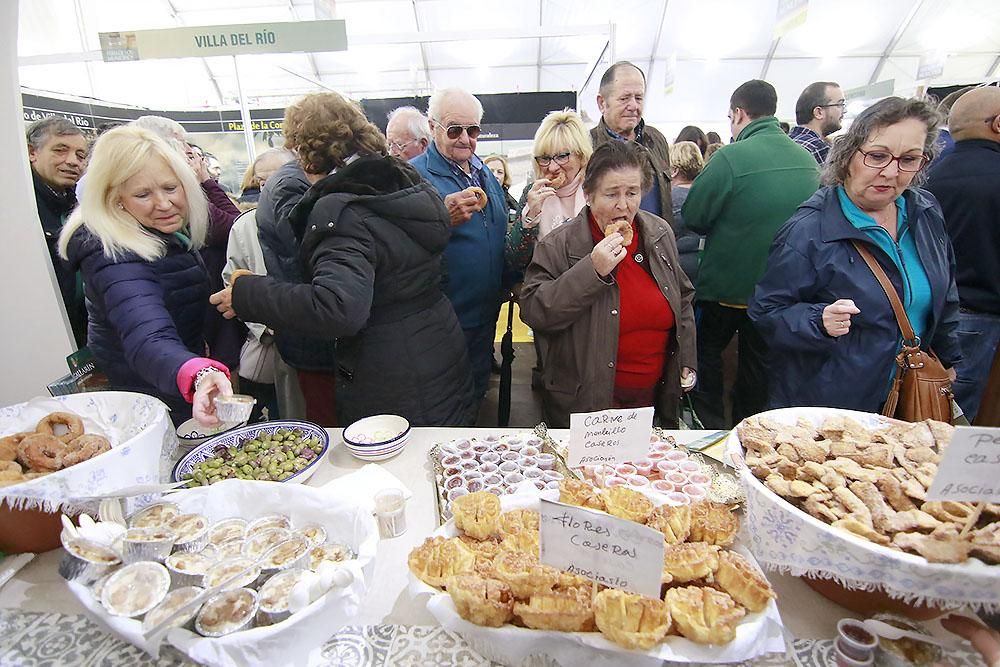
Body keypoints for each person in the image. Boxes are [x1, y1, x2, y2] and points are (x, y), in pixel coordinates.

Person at [211, 92, 476, 426]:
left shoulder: (340, 208)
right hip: (437, 344)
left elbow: (339, 308)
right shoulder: (406, 179)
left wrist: (248, 293)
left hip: (389, 368)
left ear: (303, 150)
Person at [749, 97, 961, 413]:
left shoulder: (925, 212)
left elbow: (946, 296)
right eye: (877, 156)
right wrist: (818, 320)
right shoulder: (809, 229)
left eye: (909, 159)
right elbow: (766, 313)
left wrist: (947, 359)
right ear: (849, 155)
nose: (891, 172)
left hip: (911, 393)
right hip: (834, 404)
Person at [57, 126, 232, 426]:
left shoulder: (162, 231)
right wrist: (195, 371)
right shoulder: (113, 251)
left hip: (168, 385)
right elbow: (147, 336)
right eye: (143, 194)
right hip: (146, 400)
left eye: (170, 188)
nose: (163, 204)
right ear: (116, 198)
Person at [519, 140, 696, 428]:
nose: (623, 206)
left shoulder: (658, 233)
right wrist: (592, 271)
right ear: (588, 195)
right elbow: (536, 311)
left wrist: (686, 358)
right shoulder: (559, 245)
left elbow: (683, 297)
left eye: (632, 193)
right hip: (588, 408)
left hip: (653, 403)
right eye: (611, 194)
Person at [683, 79, 820, 427]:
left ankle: (711, 429)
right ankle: (752, 430)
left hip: (725, 288)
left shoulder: (731, 157)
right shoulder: (806, 160)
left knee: (706, 356)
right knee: (758, 368)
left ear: (739, 114)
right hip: (782, 291)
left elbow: (695, 215)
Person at [410, 87, 510, 405]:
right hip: (445, 318)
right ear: (432, 127)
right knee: (449, 399)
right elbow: (400, 242)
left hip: (485, 312)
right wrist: (442, 215)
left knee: (478, 389)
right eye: (455, 130)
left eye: (473, 130)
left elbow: (497, 230)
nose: (465, 138)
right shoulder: (414, 176)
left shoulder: (482, 171)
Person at [925, 85, 1000, 422]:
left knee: (932, 408)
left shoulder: (926, 177)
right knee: (960, 419)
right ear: (997, 124)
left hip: (925, 313)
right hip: (981, 316)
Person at [254, 141, 336, 425]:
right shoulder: (291, 185)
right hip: (316, 336)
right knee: (328, 421)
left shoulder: (294, 180)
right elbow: (314, 260)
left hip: (313, 330)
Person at [27, 117, 90, 348]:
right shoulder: (19, 209)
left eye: (80, 155)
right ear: (32, 152)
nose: (73, 161)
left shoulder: (81, 207)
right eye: (60, 150)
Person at [506, 110, 593, 272]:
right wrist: (530, 217)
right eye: (545, 158)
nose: (552, 167)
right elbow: (514, 261)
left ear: (581, 156)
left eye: (562, 156)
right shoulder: (531, 194)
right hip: (545, 291)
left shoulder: (595, 192)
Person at [590, 62, 674, 223]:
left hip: (654, 244)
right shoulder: (587, 146)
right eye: (624, 98)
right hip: (609, 245)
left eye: (639, 98)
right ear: (602, 103)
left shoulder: (657, 140)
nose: (633, 106)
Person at [668, 141, 705, 283]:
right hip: (703, 264)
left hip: (678, 266)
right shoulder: (706, 195)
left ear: (675, 170)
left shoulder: (669, 198)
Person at [790, 81, 846, 164]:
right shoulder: (818, 148)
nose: (844, 111)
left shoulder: (789, 141)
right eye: (839, 105)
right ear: (818, 113)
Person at [483, 153, 519, 220]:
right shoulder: (475, 199)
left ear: (505, 177)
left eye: (500, 172)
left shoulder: (512, 206)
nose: (495, 175)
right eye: (491, 171)